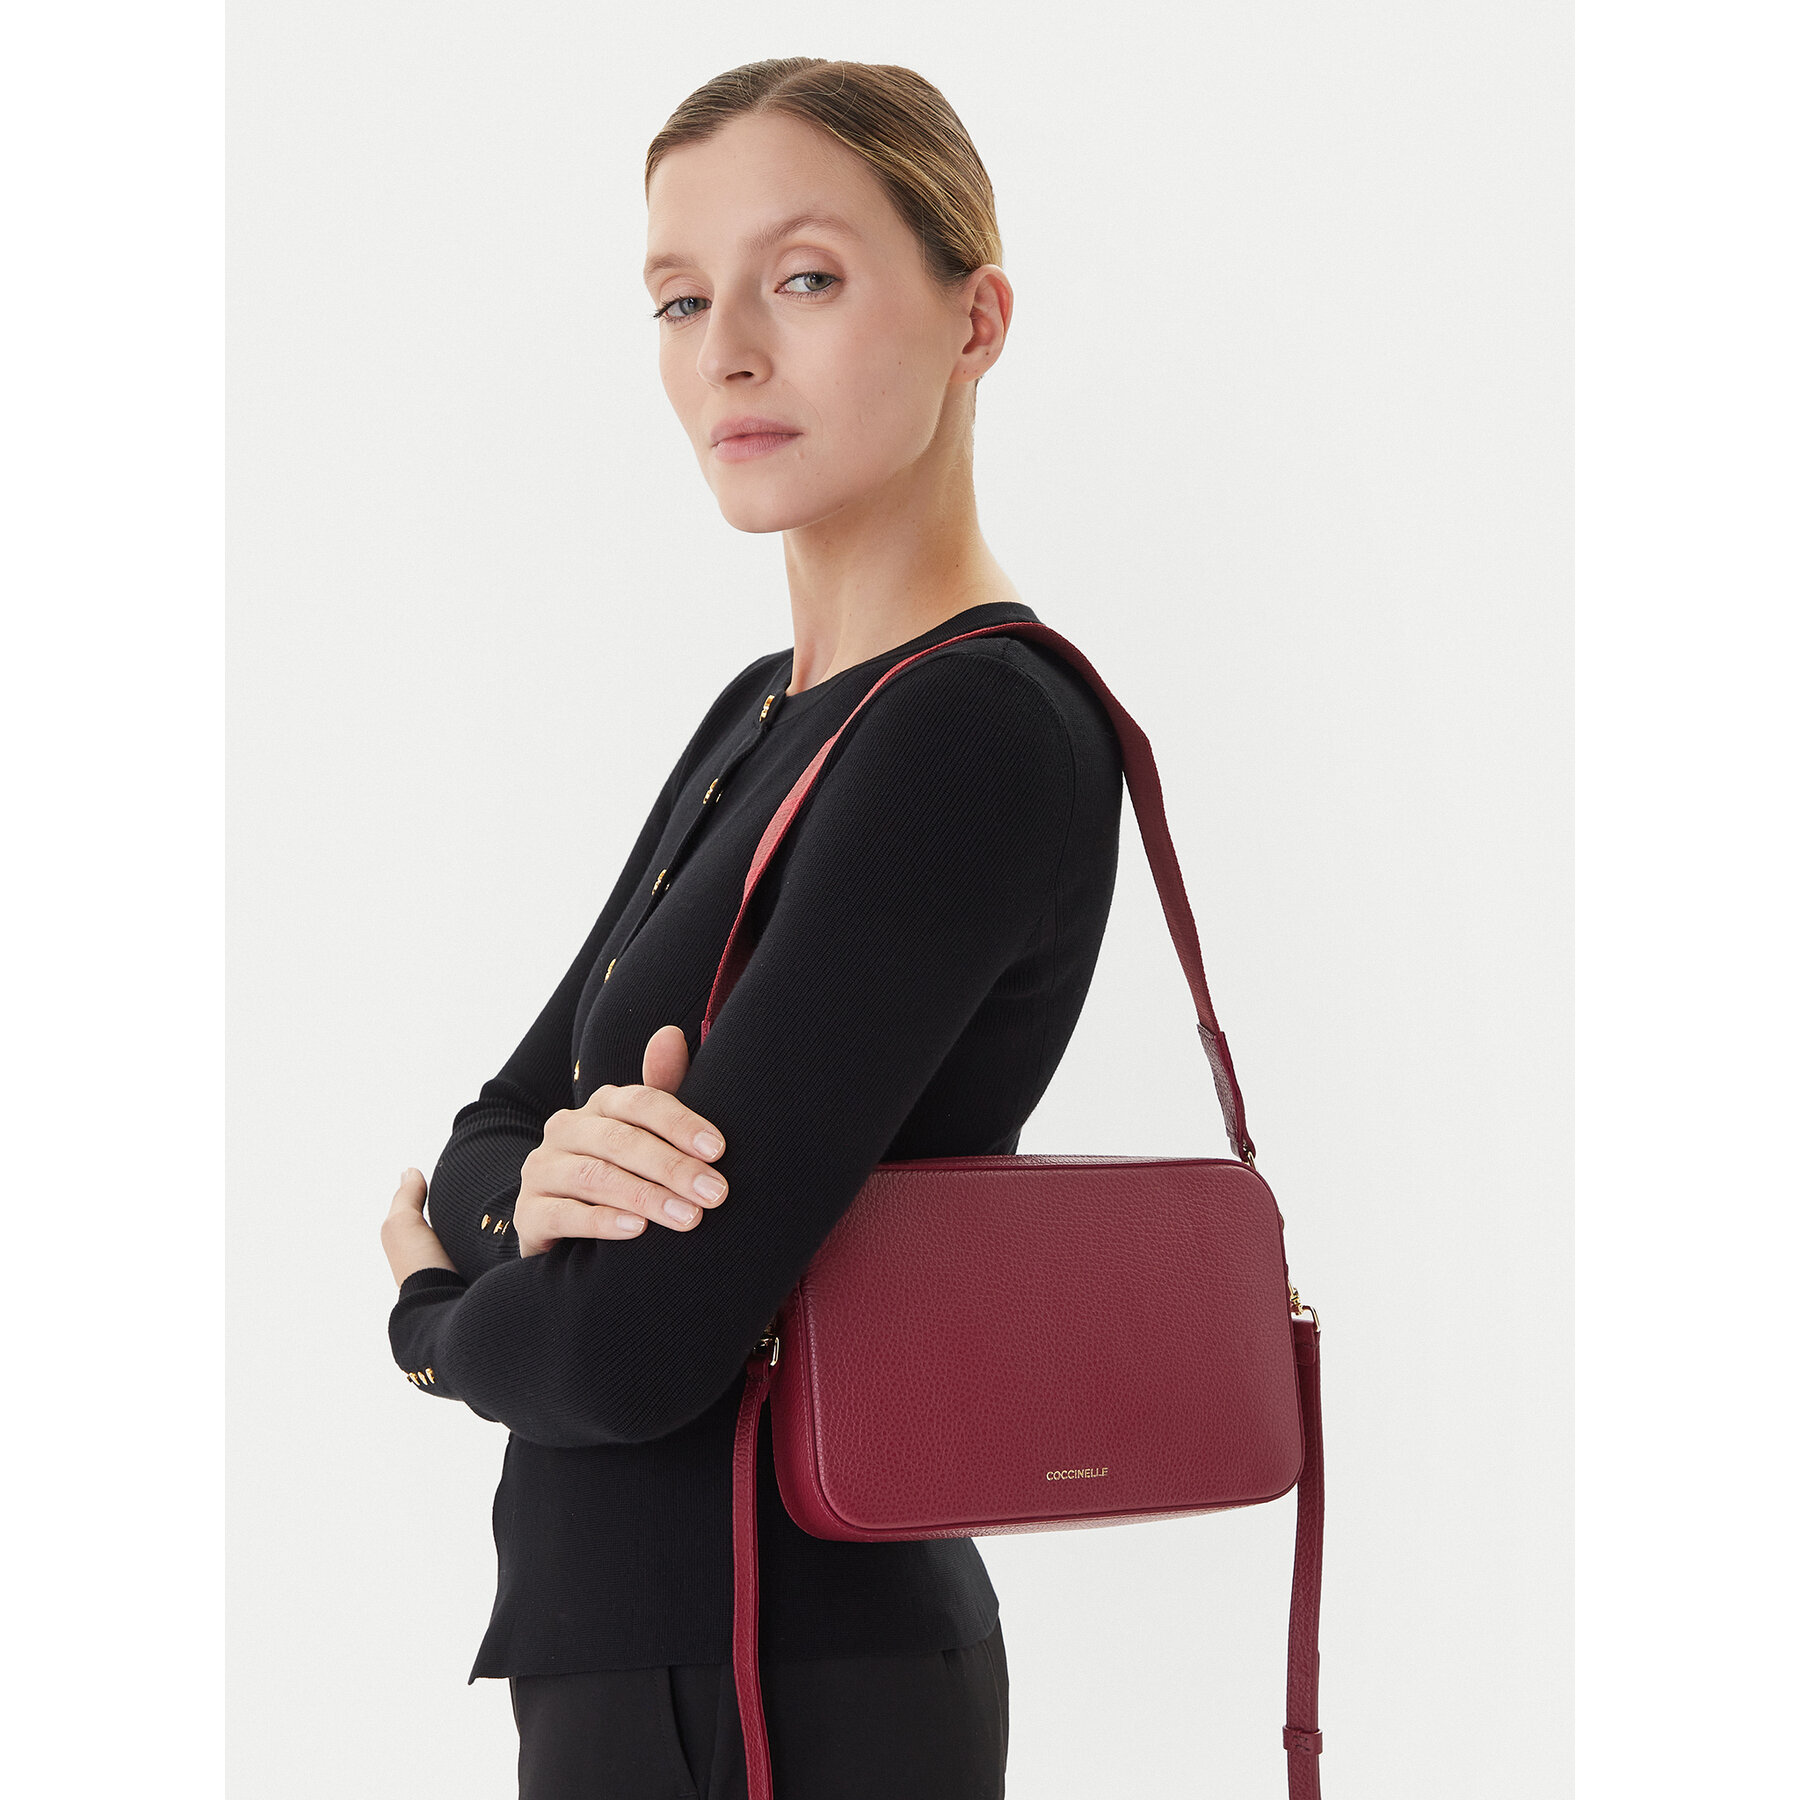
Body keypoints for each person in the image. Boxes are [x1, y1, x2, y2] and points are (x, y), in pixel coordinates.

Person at [380, 56, 1125, 1800]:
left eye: (802, 278)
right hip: (649, 1653)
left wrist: (433, 1318)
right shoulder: (761, 715)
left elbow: (633, 1344)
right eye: (677, 297)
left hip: (780, 1675)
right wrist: (538, 1188)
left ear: (976, 319)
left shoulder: (967, 732)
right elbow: (491, 1132)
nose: (725, 351)